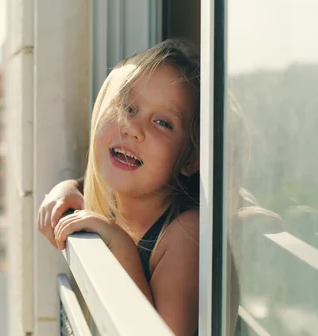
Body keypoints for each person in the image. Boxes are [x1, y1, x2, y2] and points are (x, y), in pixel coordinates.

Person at [37, 39, 201, 335]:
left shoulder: (185, 235)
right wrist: (70, 186)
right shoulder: (116, 201)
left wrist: (120, 248)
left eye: (163, 122)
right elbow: (98, 181)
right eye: (127, 107)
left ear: (191, 159)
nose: (132, 128)